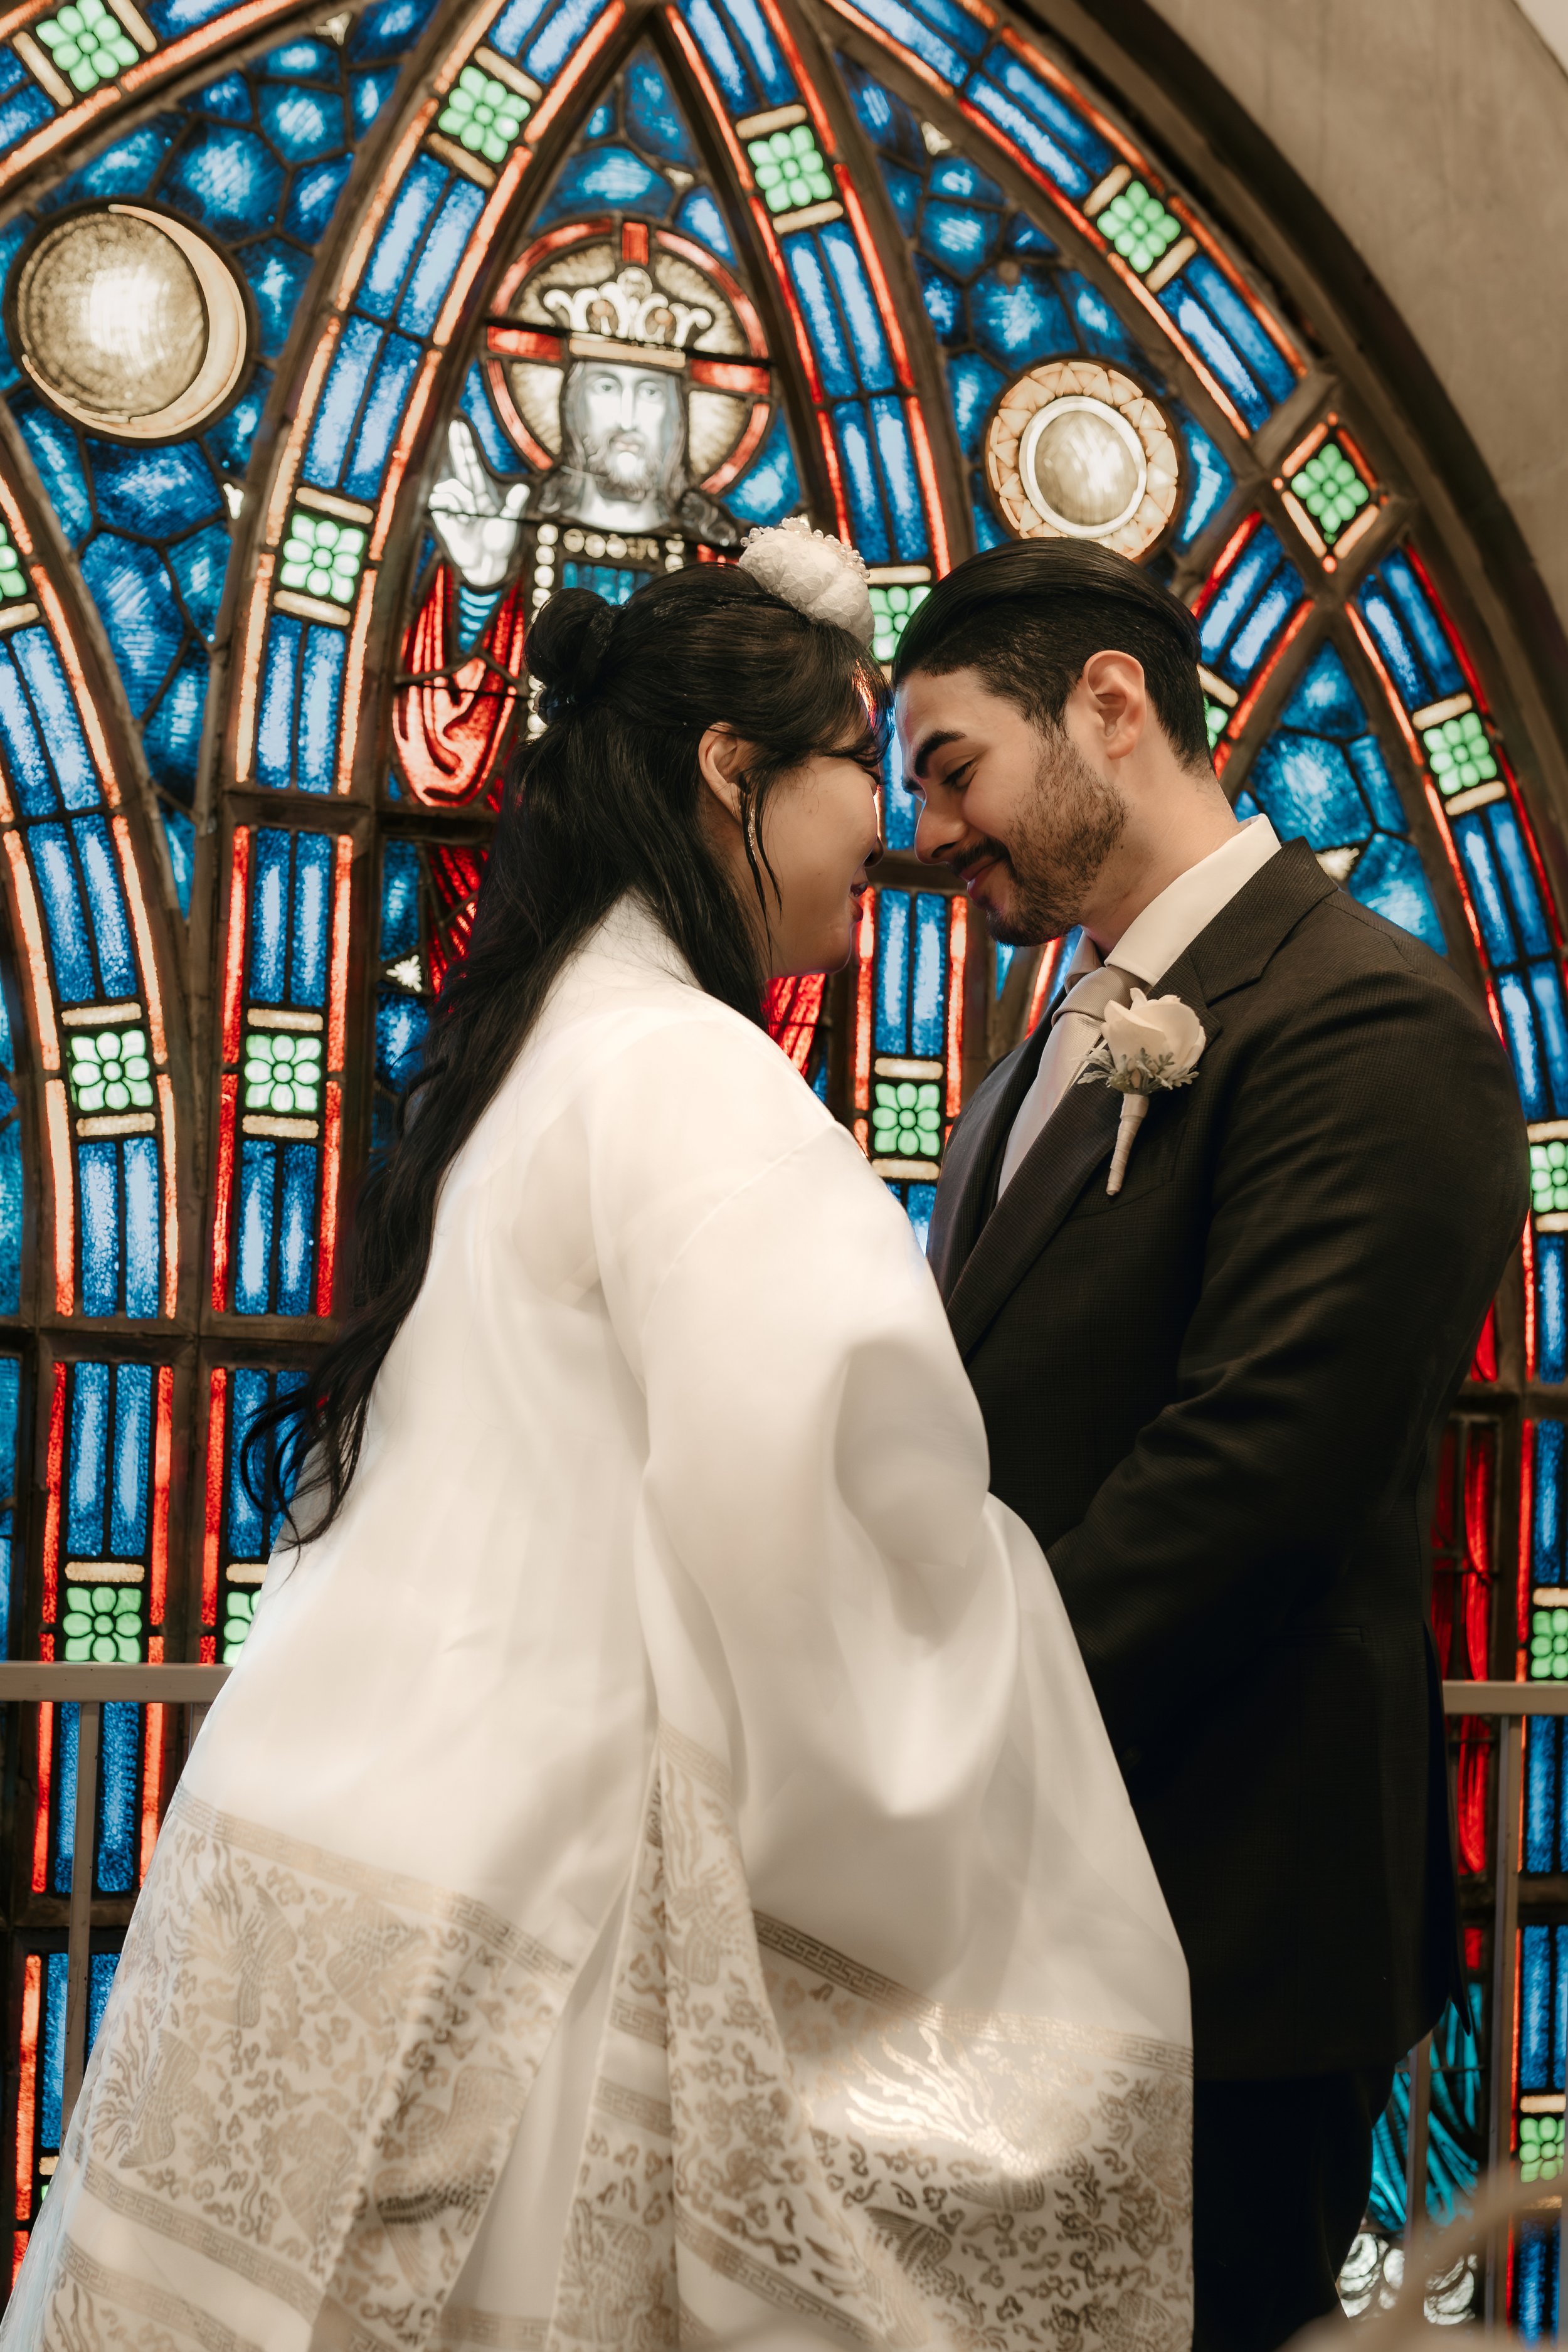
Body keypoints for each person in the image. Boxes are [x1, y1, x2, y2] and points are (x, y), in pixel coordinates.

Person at [6, 523, 1191, 2352]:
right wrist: (981, 1626)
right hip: (541, 1917)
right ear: (734, 774)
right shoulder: (693, 1081)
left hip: (343, 1859)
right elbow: (821, 1523)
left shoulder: (541, 1051)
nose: (884, 836)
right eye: (850, 778)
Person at [893, 538, 1529, 2352]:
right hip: (1030, 1916)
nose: (937, 832)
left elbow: (1256, 1473)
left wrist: (938, 1727)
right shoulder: (1040, 1060)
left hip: (1224, 1928)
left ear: (1108, 704)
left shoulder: (1365, 1020)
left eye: (953, 767)